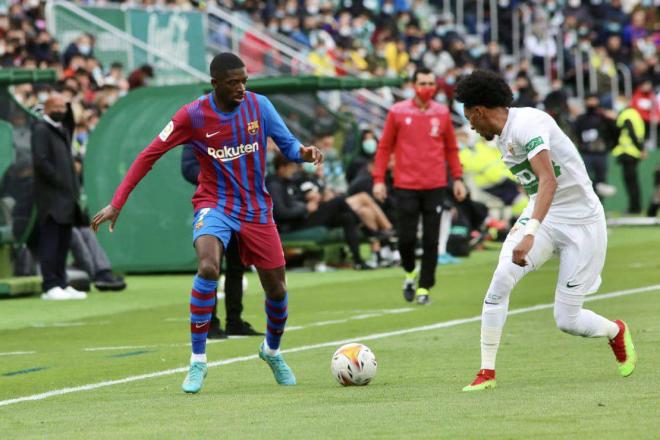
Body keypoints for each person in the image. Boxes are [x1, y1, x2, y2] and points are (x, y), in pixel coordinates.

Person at [91, 53, 323, 394]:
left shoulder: (260, 106)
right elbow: (148, 155)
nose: (241, 88)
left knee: (277, 289)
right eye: (233, 83)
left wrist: (304, 153)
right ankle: (198, 360)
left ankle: (272, 351)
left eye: (244, 80)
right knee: (208, 266)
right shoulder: (193, 115)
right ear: (215, 83)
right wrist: (117, 202)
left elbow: (289, 147)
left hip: (256, 209)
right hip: (215, 205)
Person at [454, 69, 636, 392]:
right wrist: (533, 226)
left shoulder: (528, 125)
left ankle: (615, 331)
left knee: (567, 319)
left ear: (480, 111)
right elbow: (540, 190)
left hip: (582, 223)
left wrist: (529, 231)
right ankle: (486, 373)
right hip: (546, 217)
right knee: (499, 280)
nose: (470, 125)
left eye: (470, 117)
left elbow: (549, 179)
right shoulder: (502, 138)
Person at [372, 67, 466, 305]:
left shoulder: (442, 112)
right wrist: (379, 180)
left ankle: (425, 287)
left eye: (431, 83)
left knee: (431, 239)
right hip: (405, 184)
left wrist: (458, 178)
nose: (427, 88)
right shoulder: (397, 112)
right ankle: (410, 272)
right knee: (405, 238)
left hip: (435, 184)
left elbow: (451, 149)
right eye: (422, 83)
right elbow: (384, 148)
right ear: (413, 85)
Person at [181, 144, 262, 338]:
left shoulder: (237, 128)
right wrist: (218, 176)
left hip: (240, 205)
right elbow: (188, 168)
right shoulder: (196, 125)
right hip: (212, 206)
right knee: (210, 266)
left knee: (237, 263)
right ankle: (209, 323)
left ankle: (235, 320)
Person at [267, 154, 371, 270]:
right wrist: (305, 208)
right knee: (339, 201)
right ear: (282, 168)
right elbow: (280, 213)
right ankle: (365, 227)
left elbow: (296, 199)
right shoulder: (274, 186)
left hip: (303, 217)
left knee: (346, 217)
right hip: (292, 225)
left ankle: (358, 261)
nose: (294, 170)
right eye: (291, 167)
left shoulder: (288, 182)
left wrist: (309, 201)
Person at [31, 93, 87, 300]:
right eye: (58, 107)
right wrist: (59, 180)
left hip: (66, 197)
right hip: (51, 197)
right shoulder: (40, 130)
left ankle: (61, 282)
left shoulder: (61, 129)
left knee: (63, 242)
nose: (62, 112)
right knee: (51, 242)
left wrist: (69, 104)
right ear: (47, 107)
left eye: (64, 108)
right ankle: (49, 284)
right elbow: (41, 162)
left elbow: (71, 120)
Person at [574, 94, 617, 196]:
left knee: (601, 181)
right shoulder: (581, 118)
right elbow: (577, 134)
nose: (592, 102)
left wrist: (609, 146)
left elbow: (614, 132)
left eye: (594, 99)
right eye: (589, 99)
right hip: (587, 153)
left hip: (601, 153)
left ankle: (600, 207)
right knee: (585, 179)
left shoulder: (604, 117)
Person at [613, 106, 646, 214]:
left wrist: (640, 148)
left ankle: (634, 208)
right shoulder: (636, 116)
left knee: (631, 183)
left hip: (628, 153)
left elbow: (631, 133)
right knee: (634, 183)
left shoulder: (627, 115)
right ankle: (636, 207)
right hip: (634, 154)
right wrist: (641, 148)